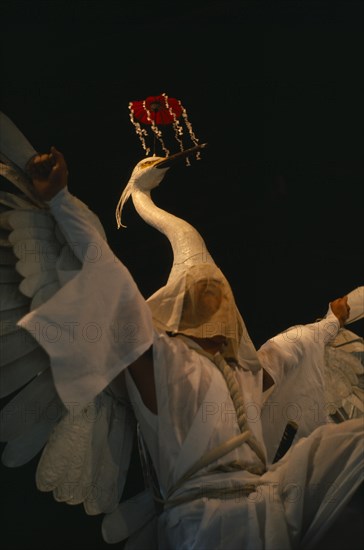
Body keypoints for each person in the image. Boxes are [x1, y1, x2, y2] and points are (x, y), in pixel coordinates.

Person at [17, 146, 362, 550]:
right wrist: (60, 201)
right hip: (205, 522)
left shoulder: (251, 367)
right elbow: (109, 281)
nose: (219, 299)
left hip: (270, 498)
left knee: (349, 446)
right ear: (180, 307)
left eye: (221, 293)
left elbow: (311, 336)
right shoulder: (162, 358)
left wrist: (339, 315)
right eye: (206, 293)